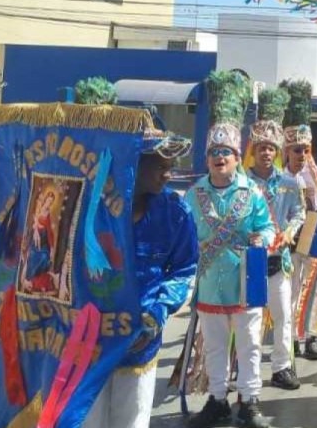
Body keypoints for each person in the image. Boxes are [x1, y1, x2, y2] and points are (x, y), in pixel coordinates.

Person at [82, 132, 198, 428]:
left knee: (131, 419)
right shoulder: (94, 207)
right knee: (86, 418)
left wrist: (159, 311)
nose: (168, 174)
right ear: (136, 164)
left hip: (139, 339)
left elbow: (184, 268)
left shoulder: (176, 212)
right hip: (89, 335)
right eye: (161, 167)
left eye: (171, 166)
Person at [185, 123, 277, 428]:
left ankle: (250, 401)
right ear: (206, 159)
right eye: (214, 152)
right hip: (211, 281)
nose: (219, 157)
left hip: (245, 279)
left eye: (226, 152)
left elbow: (268, 228)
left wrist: (261, 239)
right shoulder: (194, 193)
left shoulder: (251, 192)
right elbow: (183, 234)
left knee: (250, 342)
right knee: (214, 344)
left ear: (238, 158)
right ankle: (218, 399)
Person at [247, 119, 305, 391]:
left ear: (278, 151)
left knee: (283, 314)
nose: (266, 153)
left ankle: (281, 367)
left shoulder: (289, 182)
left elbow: (299, 212)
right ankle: (248, 367)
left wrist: (291, 230)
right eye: (261, 147)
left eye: (271, 148)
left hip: (279, 258)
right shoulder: (241, 181)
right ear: (253, 150)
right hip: (249, 260)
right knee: (250, 317)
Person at [283, 124, 317, 361]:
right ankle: (292, 338)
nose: (301, 155)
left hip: (314, 234)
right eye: (296, 150)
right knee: (291, 289)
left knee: (316, 286)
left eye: (305, 149)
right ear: (287, 152)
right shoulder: (280, 177)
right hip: (291, 239)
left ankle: (312, 336)